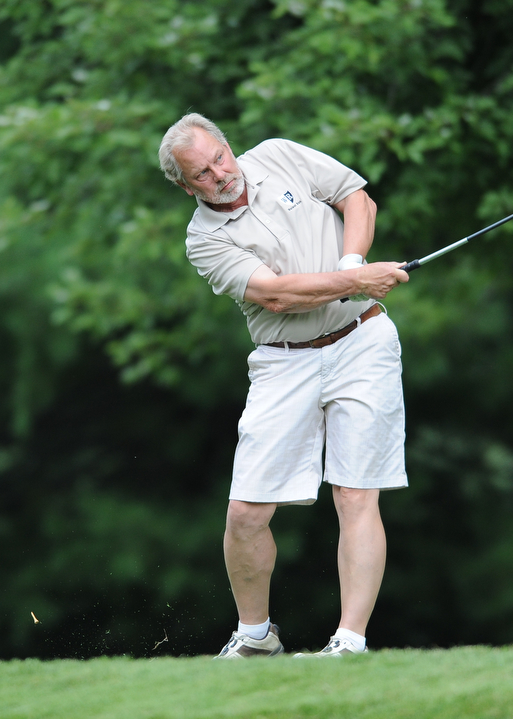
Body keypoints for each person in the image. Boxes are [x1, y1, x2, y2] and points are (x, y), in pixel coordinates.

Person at [158, 113, 410, 658]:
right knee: (245, 512)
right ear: (183, 186)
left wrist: (351, 264)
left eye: (219, 157)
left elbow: (358, 198)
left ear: (227, 145)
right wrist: (354, 280)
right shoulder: (203, 240)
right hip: (283, 362)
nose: (220, 174)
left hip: (362, 339)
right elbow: (276, 296)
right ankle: (255, 637)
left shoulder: (277, 155)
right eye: (201, 174)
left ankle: (350, 642)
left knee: (355, 492)